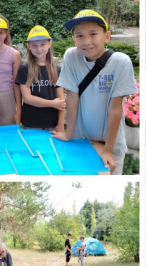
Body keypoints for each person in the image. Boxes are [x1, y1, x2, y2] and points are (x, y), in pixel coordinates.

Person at [53, 10, 137, 175]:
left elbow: (115, 108)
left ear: (107, 36)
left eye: (93, 34)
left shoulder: (120, 62)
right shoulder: (71, 56)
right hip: (80, 141)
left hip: (111, 145)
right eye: (79, 36)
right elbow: (72, 96)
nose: (87, 41)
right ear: (73, 39)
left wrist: (107, 150)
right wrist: (69, 134)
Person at [15, 26, 64, 132]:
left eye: (43, 44)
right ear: (28, 46)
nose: (39, 49)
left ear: (50, 43)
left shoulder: (57, 69)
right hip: (31, 122)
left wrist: (60, 124)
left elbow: (61, 102)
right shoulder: (25, 69)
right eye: (34, 45)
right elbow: (28, 98)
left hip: (52, 122)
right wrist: (52, 103)